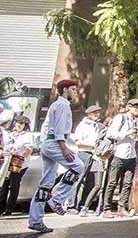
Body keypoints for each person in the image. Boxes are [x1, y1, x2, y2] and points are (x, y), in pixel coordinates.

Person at [27, 79, 86, 234]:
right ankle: (58, 199)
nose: (75, 92)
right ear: (65, 89)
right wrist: (63, 147)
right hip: (55, 143)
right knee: (78, 166)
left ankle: (35, 220)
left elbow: (46, 127)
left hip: (48, 144)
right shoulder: (62, 105)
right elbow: (59, 128)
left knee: (46, 183)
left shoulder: (55, 105)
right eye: (73, 89)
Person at [103, 98, 138, 218]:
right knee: (112, 182)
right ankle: (106, 208)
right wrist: (127, 132)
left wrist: (137, 136)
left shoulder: (137, 121)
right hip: (119, 154)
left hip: (131, 155)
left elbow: (135, 138)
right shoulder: (120, 118)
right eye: (135, 106)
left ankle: (122, 207)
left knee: (127, 183)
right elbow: (110, 133)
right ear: (129, 107)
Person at [69, 105, 101, 212]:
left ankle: (83, 204)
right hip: (84, 153)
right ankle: (71, 205)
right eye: (94, 113)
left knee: (90, 181)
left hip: (94, 154)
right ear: (89, 114)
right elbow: (77, 142)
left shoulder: (96, 125)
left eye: (98, 113)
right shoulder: (83, 125)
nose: (97, 115)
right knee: (78, 179)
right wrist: (93, 146)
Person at [0, 115, 34, 216]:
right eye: (17, 122)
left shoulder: (27, 135)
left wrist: (21, 156)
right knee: (4, 183)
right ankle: (1, 207)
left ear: (25, 125)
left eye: (21, 123)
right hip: (8, 160)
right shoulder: (11, 134)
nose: (18, 125)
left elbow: (29, 150)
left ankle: (9, 208)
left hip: (19, 161)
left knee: (14, 184)